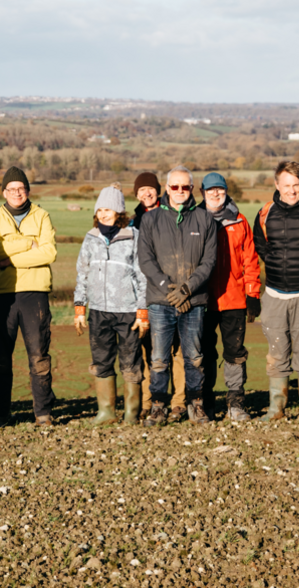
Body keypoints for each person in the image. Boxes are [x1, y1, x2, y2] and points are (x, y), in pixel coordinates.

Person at [137, 165, 218, 426]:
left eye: (185, 187)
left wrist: (187, 289)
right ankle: (158, 407)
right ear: (167, 189)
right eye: (175, 186)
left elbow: (209, 261)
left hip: (193, 301)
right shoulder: (150, 219)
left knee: (194, 356)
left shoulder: (205, 219)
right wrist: (168, 286)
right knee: (159, 357)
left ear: (192, 189)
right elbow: (145, 260)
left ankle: (195, 406)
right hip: (161, 301)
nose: (180, 191)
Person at [0, 167, 58, 428]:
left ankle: (43, 413)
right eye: (12, 188)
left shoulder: (42, 215)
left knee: (39, 355)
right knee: (1, 357)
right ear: (4, 192)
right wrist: (29, 243)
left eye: (21, 188)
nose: (17, 192)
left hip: (35, 293)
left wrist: (9, 259)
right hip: (4, 294)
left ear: (28, 190)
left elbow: (49, 253)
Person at [252, 161, 299, 421]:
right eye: (287, 185)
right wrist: (273, 262)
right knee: (277, 353)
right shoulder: (265, 212)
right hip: (275, 294)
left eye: (296, 185)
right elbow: (260, 245)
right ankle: (276, 410)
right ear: (276, 185)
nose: (292, 190)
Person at [74, 185, 148, 425]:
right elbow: (82, 275)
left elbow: (141, 275)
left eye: (109, 209)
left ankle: (131, 414)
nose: (104, 213)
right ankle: (106, 412)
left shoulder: (133, 237)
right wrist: (79, 308)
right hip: (98, 311)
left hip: (127, 311)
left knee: (131, 361)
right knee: (101, 360)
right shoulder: (90, 238)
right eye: (100, 209)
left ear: (119, 212)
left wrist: (142, 311)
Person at [196, 172, 260, 421]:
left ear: (225, 191)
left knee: (235, 353)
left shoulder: (240, 221)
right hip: (203, 299)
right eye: (210, 190)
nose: (215, 194)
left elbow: (250, 260)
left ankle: (236, 403)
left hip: (234, 299)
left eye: (219, 190)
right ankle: (207, 403)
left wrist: (252, 293)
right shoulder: (195, 219)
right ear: (202, 192)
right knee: (205, 353)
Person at [129, 171, 185, 420]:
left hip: (172, 291)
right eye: (141, 190)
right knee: (148, 350)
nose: (146, 193)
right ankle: (149, 401)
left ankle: (179, 401)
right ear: (136, 194)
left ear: (158, 189)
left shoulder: (172, 213)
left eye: (150, 188)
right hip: (143, 294)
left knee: (177, 350)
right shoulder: (132, 223)